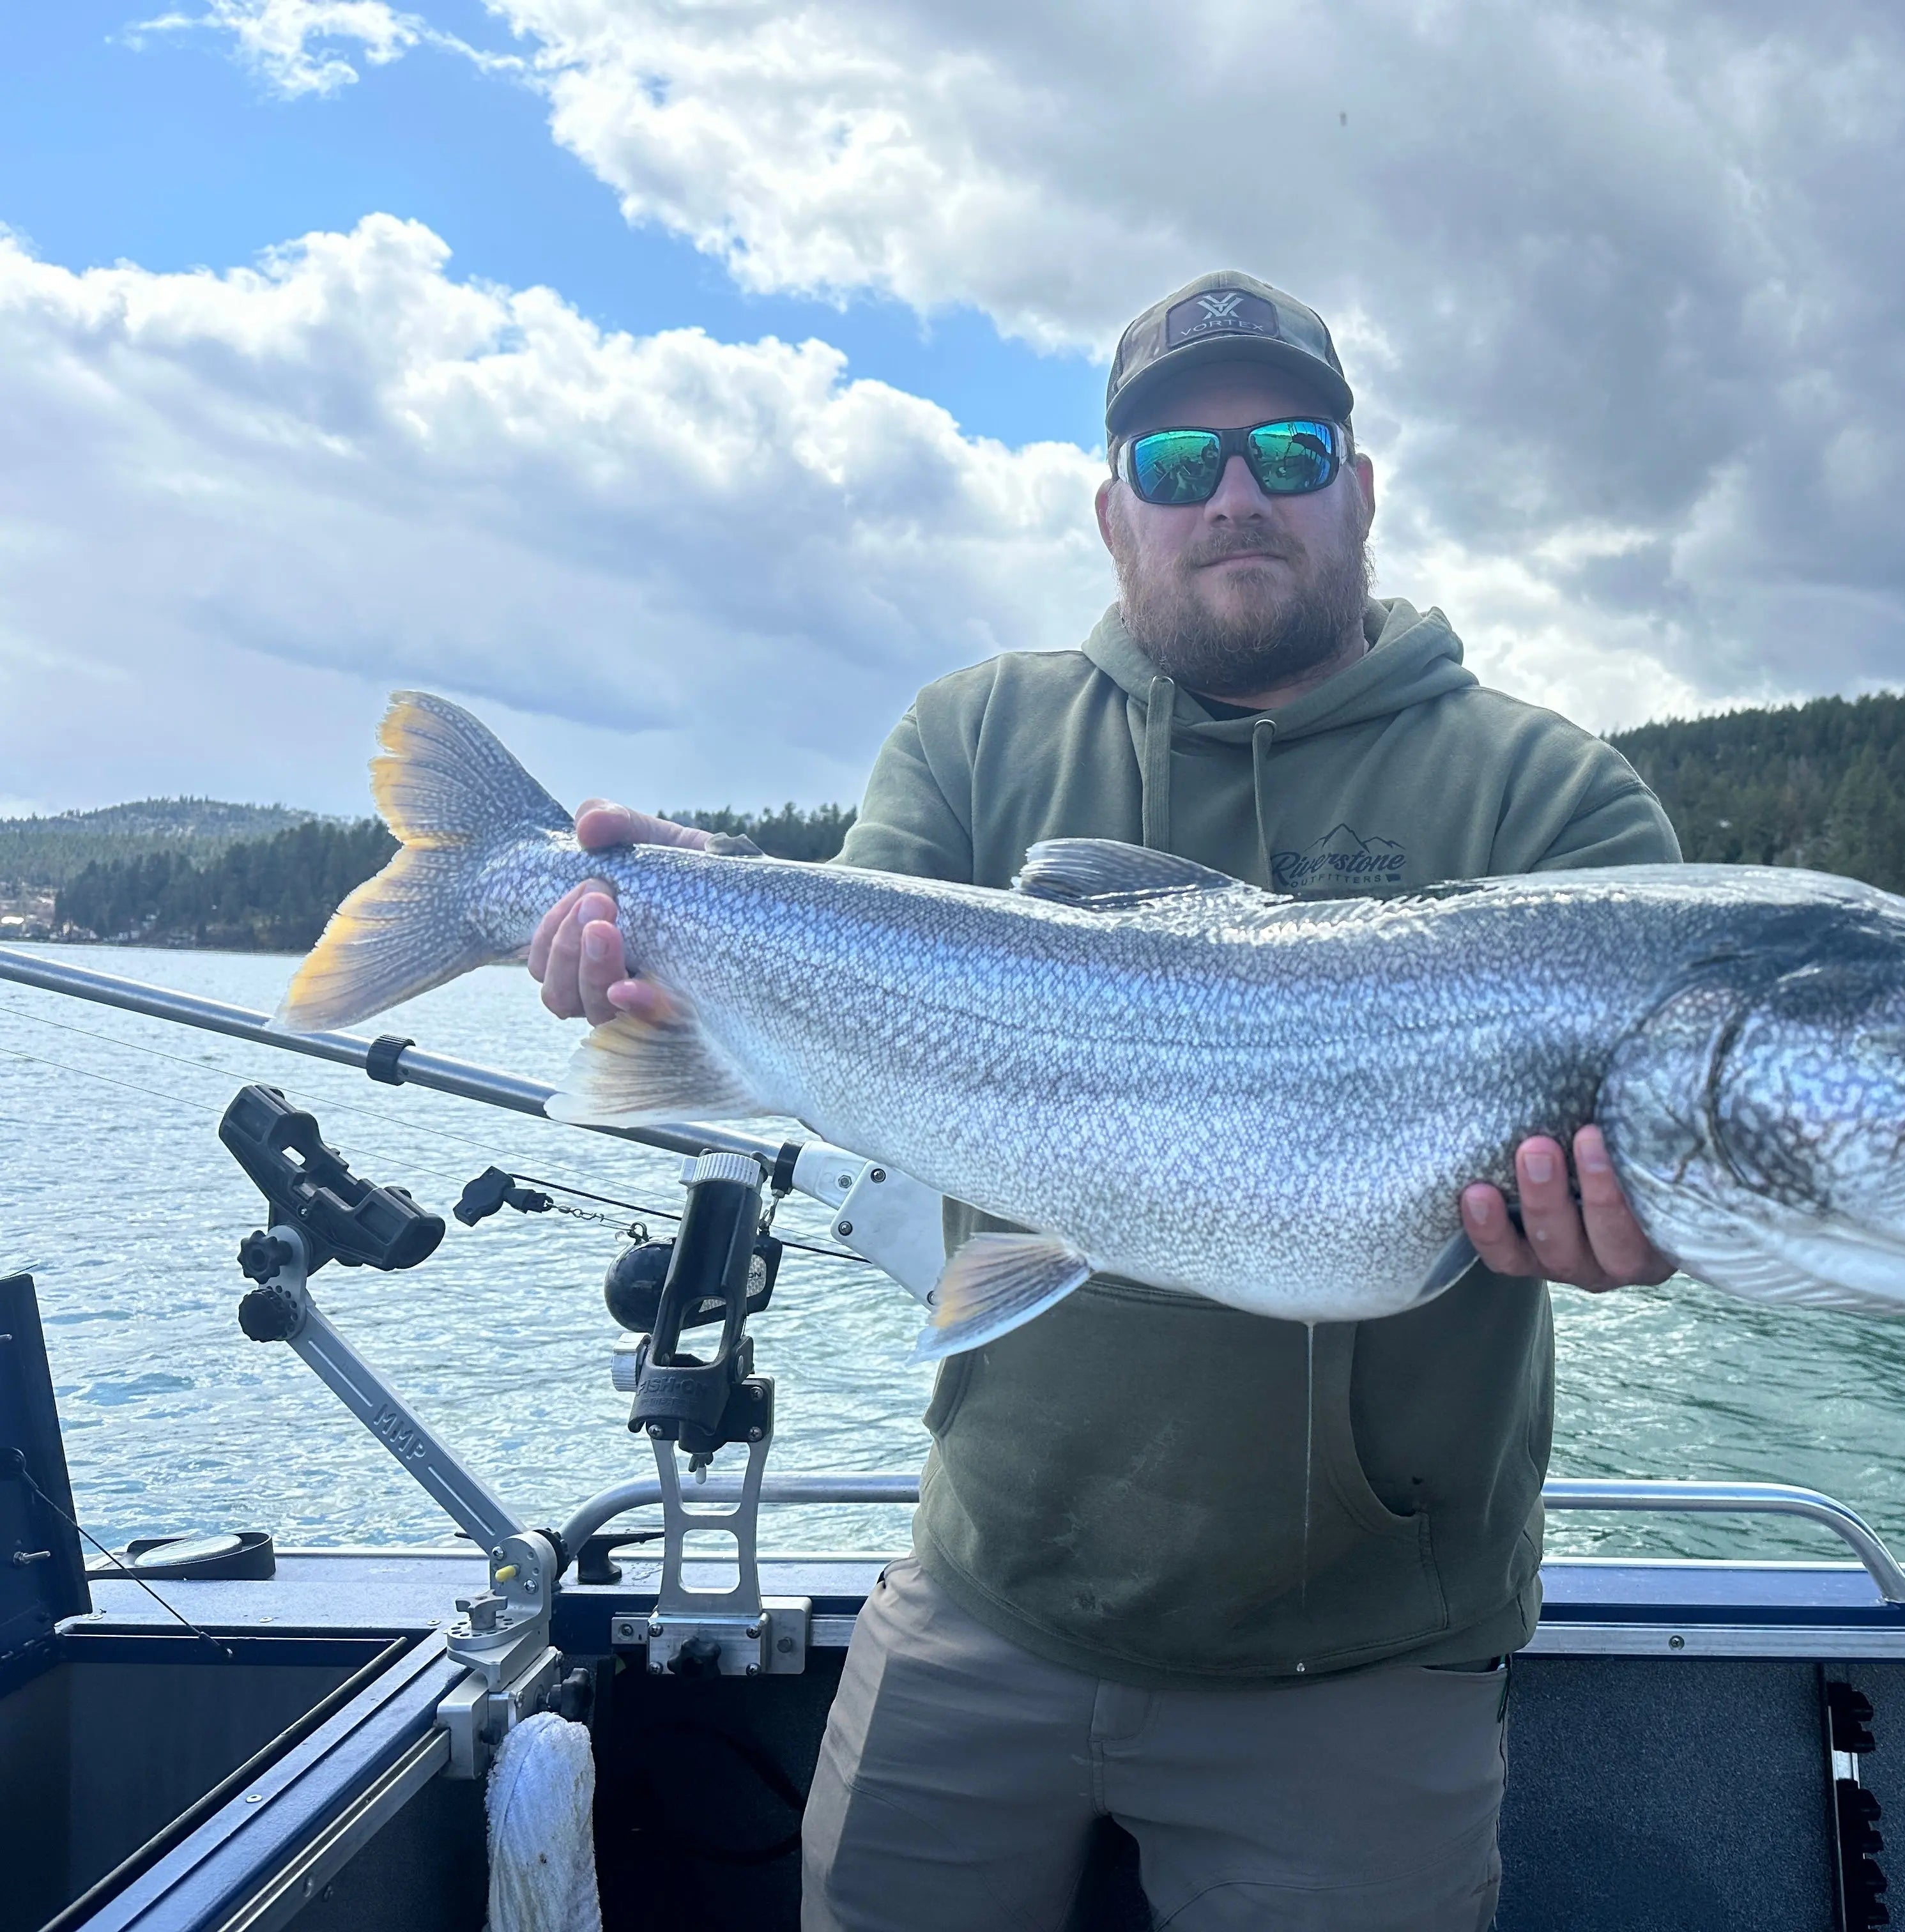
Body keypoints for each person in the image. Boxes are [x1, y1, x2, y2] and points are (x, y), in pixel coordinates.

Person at [528, 272, 1681, 1931]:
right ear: (1112, 511)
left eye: (1290, 452)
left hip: (1368, 1661)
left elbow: (1668, 1161)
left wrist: (1643, 1226)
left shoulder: (1550, 798)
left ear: (1359, 492)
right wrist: (679, 938)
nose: (1235, 495)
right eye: (1178, 461)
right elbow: (849, 969)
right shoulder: (974, 735)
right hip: (982, 1600)